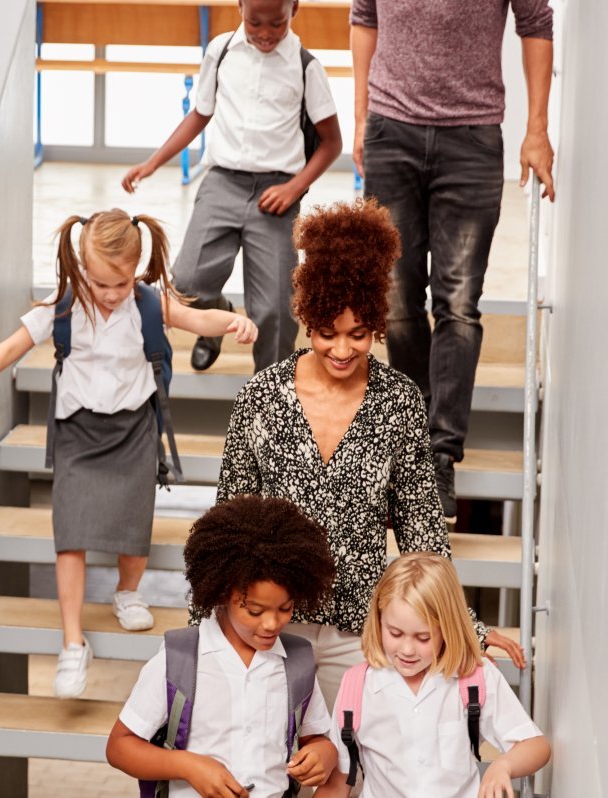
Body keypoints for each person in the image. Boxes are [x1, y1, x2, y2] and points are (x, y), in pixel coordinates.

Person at [215, 199, 523, 707]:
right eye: (326, 334)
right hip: (266, 625)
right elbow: (229, 523)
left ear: (376, 323)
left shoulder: (398, 401)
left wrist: (465, 626)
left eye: (357, 335)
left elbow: (422, 529)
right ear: (306, 319)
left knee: (348, 773)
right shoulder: (262, 397)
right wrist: (210, 622)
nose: (340, 349)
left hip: (355, 635)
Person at [0, 209, 257, 698]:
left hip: (132, 427)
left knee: (134, 523)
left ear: (136, 271)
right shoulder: (64, 305)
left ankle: (127, 592)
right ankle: (73, 642)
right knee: (70, 535)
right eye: (99, 282)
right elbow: (12, 347)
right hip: (78, 430)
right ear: (80, 267)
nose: (110, 293)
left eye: (120, 283)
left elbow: (199, 318)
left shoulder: (149, 304)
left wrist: (234, 323)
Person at [349, 0, 557, 518]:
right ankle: (412, 446)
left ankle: (439, 454)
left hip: (472, 139)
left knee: (458, 304)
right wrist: (360, 117)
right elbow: (364, 18)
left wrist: (536, 128)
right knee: (395, 302)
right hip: (390, 131)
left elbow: (536, 23)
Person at [122, 0, 342, 374]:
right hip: (221, 184)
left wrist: (294, 188)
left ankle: (268, 397)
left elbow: (331, 143)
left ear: (295, 10)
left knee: (275, 308)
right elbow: (199, 114)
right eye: (255, 22)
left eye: (277, 23)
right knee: (187, 285)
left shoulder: (306, 67)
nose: (266, 33)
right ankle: (217, 320)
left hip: (276, 194)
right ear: (239, 7)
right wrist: (153, 162)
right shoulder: (220, 51)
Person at [107, 495, 341, 798]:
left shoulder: (297, 663)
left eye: (285, 608)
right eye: (254, 611)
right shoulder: (180, 659)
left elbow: (316, 738)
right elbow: (119, 747)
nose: (271, 623)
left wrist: (325, 753)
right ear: (221, 592)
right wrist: (190, 766)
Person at [315, 553, 550, 798]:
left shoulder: (474, 678)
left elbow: (536, 746)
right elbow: (340, 779)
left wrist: (503, 765)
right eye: (395, 633)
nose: (407, 649)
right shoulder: (357, 685)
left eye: (423, 638)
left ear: (447, 629)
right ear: (379, 620)